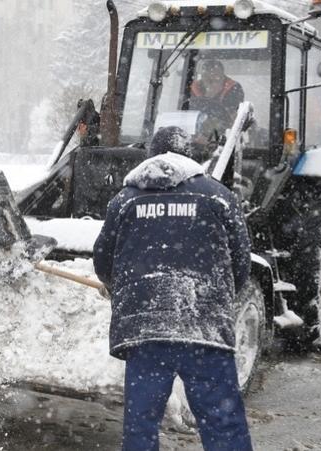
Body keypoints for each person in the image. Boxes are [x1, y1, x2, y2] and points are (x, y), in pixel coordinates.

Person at [93, 126, 253, 451]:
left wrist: (119, 288)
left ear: (151, 155)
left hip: (145, 331)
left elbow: (103, 259)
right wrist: (216, 299)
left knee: (141, 427)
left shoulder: (124, 201)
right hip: (204, 328)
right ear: (190, 156)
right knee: (223, 424)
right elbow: (240, 262)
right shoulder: (219, 196)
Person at [187, 59, 245, 124]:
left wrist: (210, 94)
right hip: (192, 129)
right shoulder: (191, 89)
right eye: (206, 78)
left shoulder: (234, 89)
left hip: (224, 132)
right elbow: (185, 113)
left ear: (223, 77)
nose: (211, 81)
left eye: (215, 77)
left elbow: (232, 118)